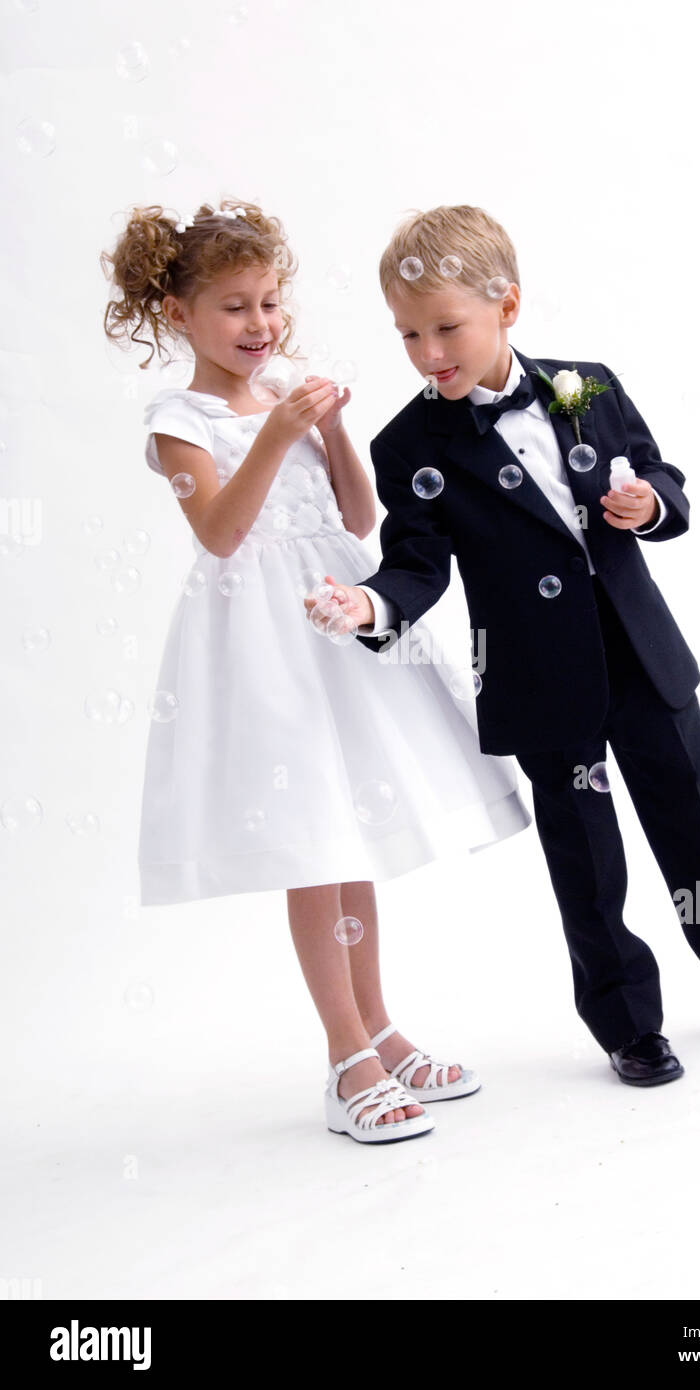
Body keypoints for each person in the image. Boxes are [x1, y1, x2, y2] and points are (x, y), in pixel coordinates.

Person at [308, 203, 700, 1087]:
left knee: (696, 822)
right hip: (539, 681)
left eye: (447, 327)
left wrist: (648, 504)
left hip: (641, 657)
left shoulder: (591, 386)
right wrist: (368, 604)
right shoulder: (407, 444)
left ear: (506, 307)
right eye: (409, 334)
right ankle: (625, 1022)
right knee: (584, 855)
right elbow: (417, 563)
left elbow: (662, 476)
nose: (430, 352)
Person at [100, 198, 531, 1141]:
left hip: (334, 613)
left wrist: (329, 429)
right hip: (261, 638)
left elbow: (359, 516)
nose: (258, 326)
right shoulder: (178, 421)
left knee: (355, 836)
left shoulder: (283, 388)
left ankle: (377, 1029)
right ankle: (344, 1061)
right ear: (181, 315)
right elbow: (219, 532)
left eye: (268, 303)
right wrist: (271, 434)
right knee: (314, 842)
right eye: (233, 308)